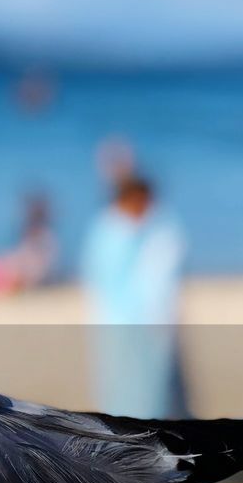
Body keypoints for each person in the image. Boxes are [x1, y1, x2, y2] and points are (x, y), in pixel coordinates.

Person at [80, 173, 189, 418]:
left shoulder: (134, 227)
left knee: (150, 388)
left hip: (137, 318)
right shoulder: (114, 230)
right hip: (124, 320)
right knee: (129, 387)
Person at [0, 192, 58, 294]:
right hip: (22, 275)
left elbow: (38, 270)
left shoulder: (44, 239)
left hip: (27, 278)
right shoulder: (35, 237)